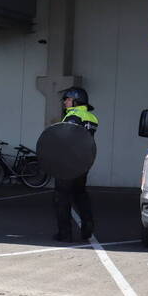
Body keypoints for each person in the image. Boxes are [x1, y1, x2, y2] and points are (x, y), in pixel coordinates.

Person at [54, 87, 98, 242]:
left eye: (67, 99)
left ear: (75, 100)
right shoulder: (91, 118)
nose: (65, 102)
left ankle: (64, 233)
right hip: (84, 162)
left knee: (62, 197)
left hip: (68, 163)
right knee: (80, 194)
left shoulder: (73, 116)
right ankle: (88, 226)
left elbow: (67, 140)